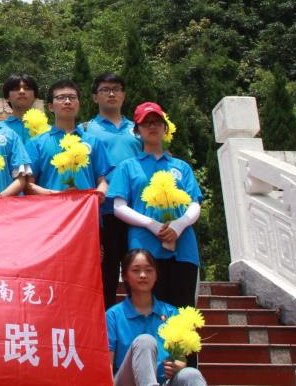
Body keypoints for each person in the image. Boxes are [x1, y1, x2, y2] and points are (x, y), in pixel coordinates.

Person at [108, 102, 203, 310]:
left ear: (165, 128)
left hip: (182, 246)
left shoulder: (181, 167)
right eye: (146, 123)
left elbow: (194, 204)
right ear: (137, 131)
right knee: (146, 311)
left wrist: (179, 225)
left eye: (157, 122)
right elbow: (118, 206)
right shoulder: (128, 166)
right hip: (144, 246)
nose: (152, 126)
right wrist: (151, 224)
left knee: (183, 311)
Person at [106, 249, 207, 386]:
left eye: (149, 270)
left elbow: (180, 358)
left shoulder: (171, 313)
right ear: (125, 276)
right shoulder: (113, 316)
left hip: (163, 382)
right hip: (126, 382)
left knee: (191, 374)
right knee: (145, 341)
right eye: (136, 270)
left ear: (156, 275)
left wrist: (178, 365)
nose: (143, 275)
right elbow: (107, 365)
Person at [87, 73, 143, 309]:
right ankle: (106, 321)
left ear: (124, 95)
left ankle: (140, 318)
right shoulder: (86, 130)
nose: (111, 93)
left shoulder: (138, 129)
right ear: (94, 97)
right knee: (106, 271)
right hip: (104, 212)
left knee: (139, 270)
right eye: (105, 89)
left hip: (137, 212)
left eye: (117, 89)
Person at [25, 79, 109, 198]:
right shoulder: (36, 143)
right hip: (51, 208)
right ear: (50, 107)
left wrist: (99, 195)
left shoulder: (93, 141)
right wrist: (58, 195)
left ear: (79, 104)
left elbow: (102, 181)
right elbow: (28, 185)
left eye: (72, 97)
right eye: (61, 97)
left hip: (86, 207)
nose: (68, 101)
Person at [0, 73, 40, 143]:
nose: (22, 91)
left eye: (27, 88)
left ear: (35, 97)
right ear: (7, 97)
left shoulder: (48, 131)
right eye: (16, 89)